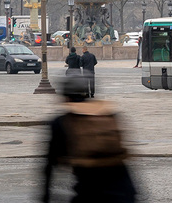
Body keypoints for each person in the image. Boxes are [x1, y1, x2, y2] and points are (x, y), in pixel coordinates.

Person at [40, 74, 136, 203]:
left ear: (66, 97)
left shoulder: (63, 122)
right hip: (125, 190)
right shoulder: (109, 114)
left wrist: (45, 196)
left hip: (90, 193)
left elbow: (50, 165)